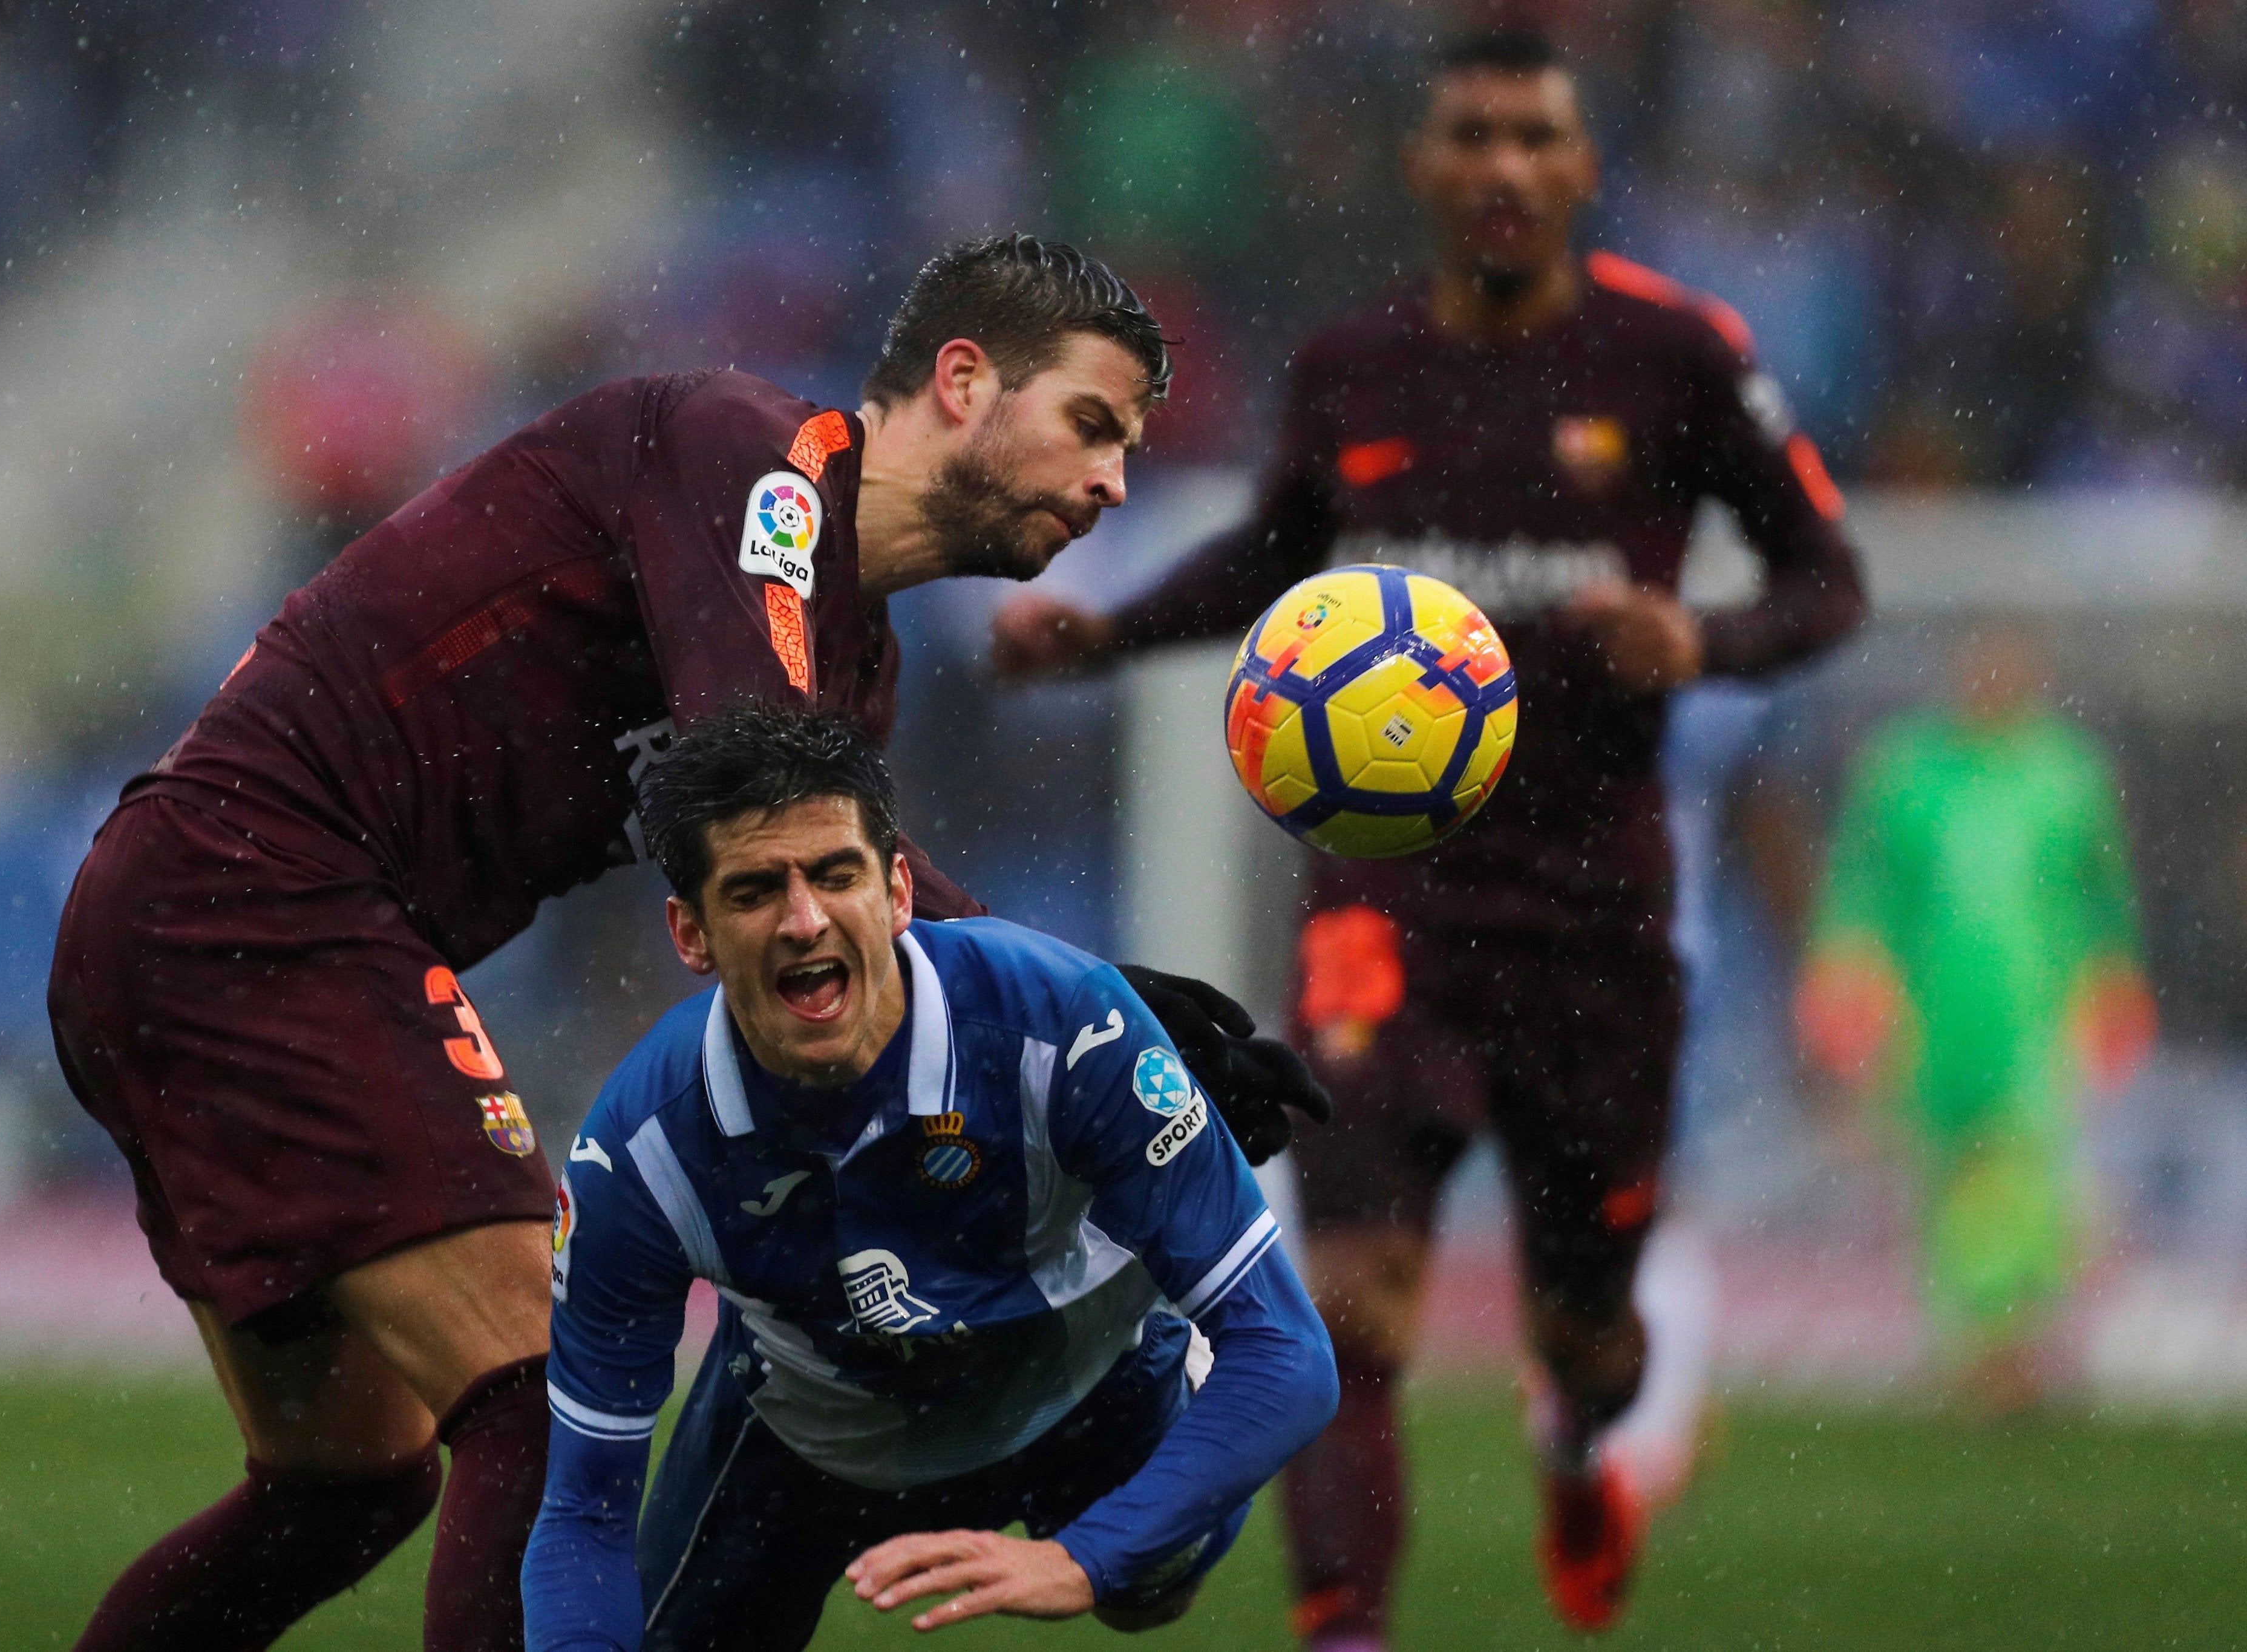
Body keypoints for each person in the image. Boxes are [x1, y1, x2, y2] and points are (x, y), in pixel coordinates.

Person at [49, 235, 1324, 1652]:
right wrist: (1103, 1007)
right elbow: (759, 786)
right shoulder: (752, 463)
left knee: (344, 1485)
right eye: (1092, 425)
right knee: (538, 1392)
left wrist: (1100, 1041)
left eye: (1130, 448)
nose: (1113, 481)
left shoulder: (859, 672)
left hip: (190, 918)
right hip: (256, 895)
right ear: (963, 381)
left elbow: (818, 882)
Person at [993, 31, 1868, 1641]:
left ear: (1582, 167)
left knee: (1589, 1324)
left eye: (1535, 136)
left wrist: (1703, 641)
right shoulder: (1353, 368)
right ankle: (1347, 1625)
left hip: (1599, 914)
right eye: (1472, 134)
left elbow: (1830, 578)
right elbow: (1272, 551)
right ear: (1426, 165)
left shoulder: (1674, 359)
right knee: (1355, 1301)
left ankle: (1586, 1439)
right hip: (1384, 905)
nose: (1503, 167)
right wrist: (1106, 638)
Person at [522, 707, 1338, 1650]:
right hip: (807, 1435)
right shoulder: (638, 1155)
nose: (803, 920)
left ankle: (1156, 1394)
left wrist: (1084, 1558)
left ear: (899, 891)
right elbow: (582, 1513)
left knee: (1145, 1591)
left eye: (836, 875)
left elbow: (1286, 1352)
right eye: (752, 892)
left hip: (1093, 1390)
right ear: (690, 934)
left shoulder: (1067, 1026)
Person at [1796, 621, 2154, 1414]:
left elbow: (2103, 898)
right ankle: (1972, 1352)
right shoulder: (1905, 772)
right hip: (1930, 1011)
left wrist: (2116, 984)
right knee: (1946, 1178)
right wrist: (1843, 981)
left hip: (2033, 1008)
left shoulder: (2066, 774)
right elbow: (1861, 889)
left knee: (2025, 1175)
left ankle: (2021, 1347)